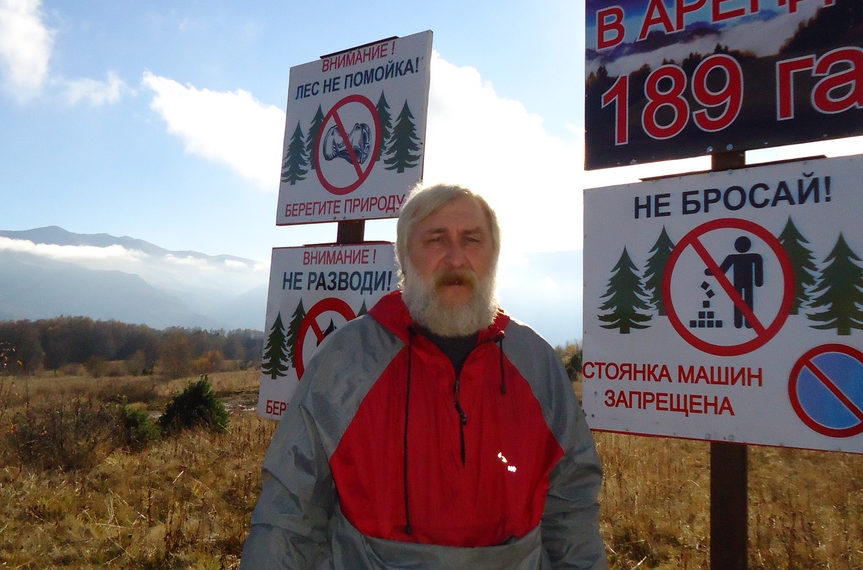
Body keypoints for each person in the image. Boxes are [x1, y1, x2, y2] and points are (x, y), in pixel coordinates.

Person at [240, 183, 606, 568]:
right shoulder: (346, 360)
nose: (456, 258)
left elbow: (572, 507)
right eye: (435, 239)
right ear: (404, 256)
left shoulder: (535, 362)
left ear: (494, 256)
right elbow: (289, 512)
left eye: (472, 240)